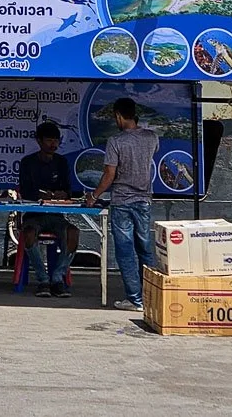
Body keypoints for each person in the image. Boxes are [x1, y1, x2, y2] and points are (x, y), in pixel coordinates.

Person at [83, 96, 158, 310]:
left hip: (122, 202)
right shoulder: (152, 137)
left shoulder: (115, 142)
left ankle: (135, 299)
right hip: (144, 200)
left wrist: (94, 196)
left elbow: (109, 175)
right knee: (144, 248)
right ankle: (151, 297)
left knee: (125, 251)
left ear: (118, 116)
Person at [15, 121, 81, 297]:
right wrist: (42, 195)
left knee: (73, 233)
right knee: (28, 234)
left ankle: (57, 278)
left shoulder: (62, 162)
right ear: (39, 141)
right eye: (49, 140)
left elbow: (68, 191)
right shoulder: (27, 162)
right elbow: (27, 191)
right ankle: (43, 279)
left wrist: (61, 194)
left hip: (56, 216)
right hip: (33, 215)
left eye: (56, 141)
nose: (53, 144)